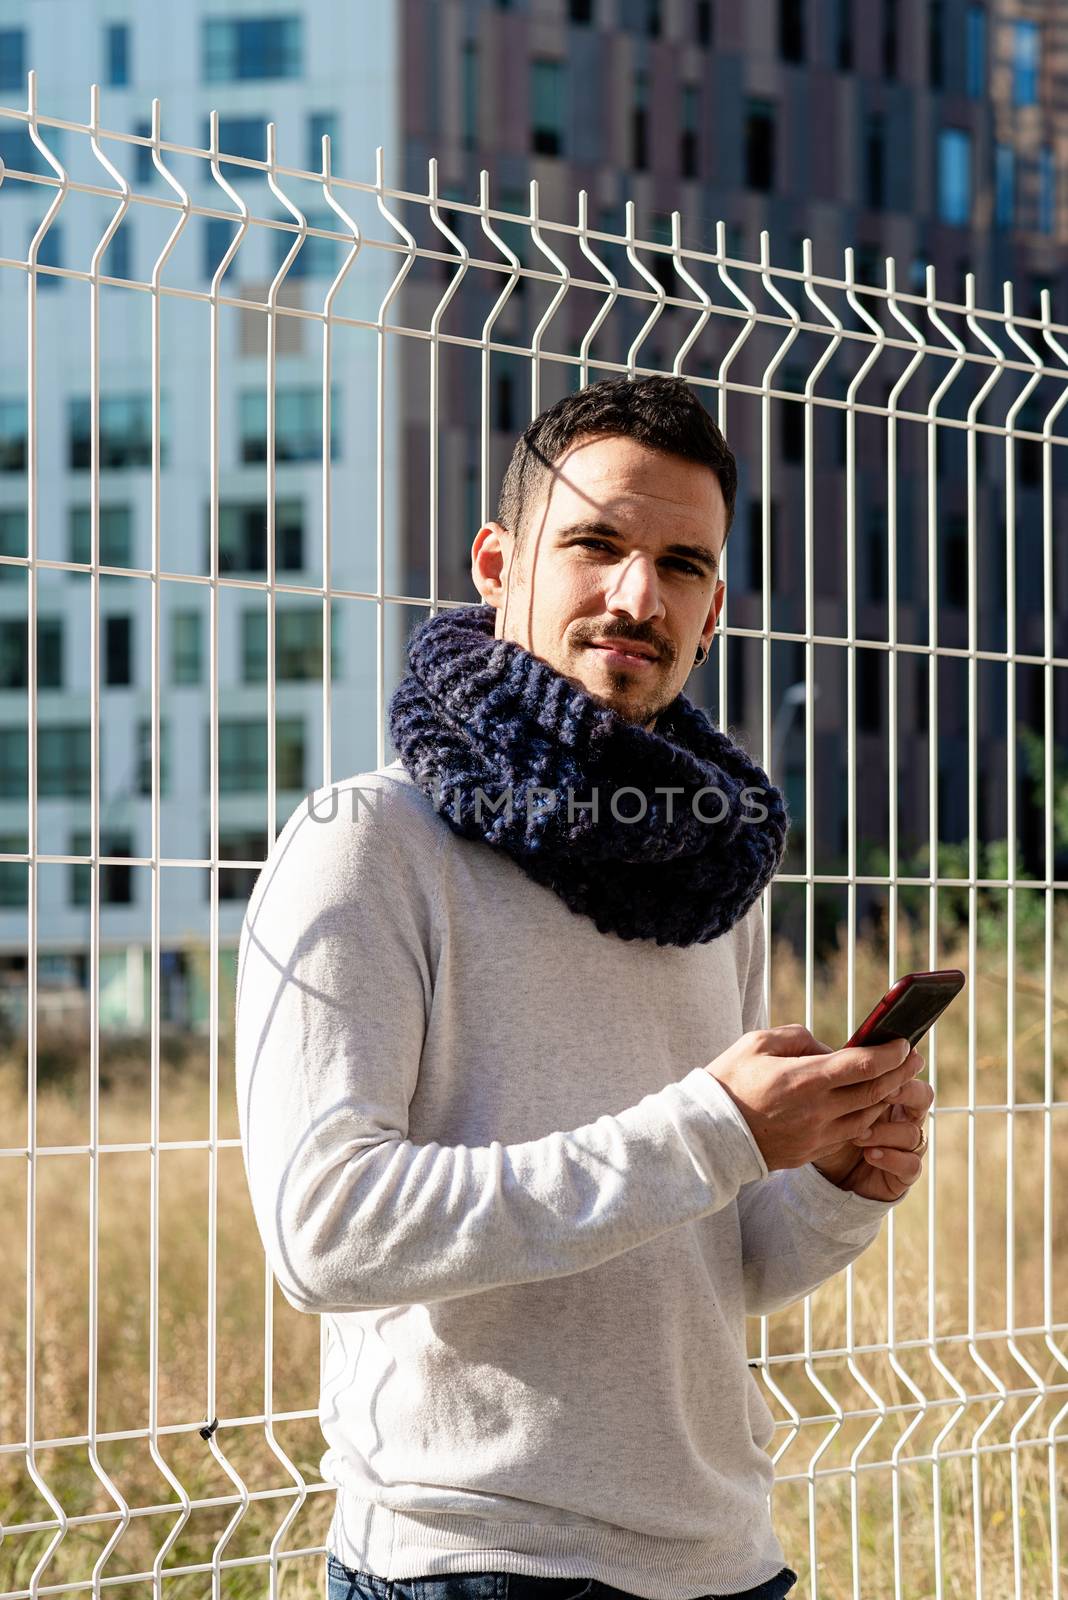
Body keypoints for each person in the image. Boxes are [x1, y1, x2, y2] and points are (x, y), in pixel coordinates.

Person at [234, 375, 932, 1600]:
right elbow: (323, 1231)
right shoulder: (368, 841)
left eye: (681, 564)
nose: (635, 595)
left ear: (715, 609)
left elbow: (716, 1255)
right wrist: (715, 1128)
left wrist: (832, 1185)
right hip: (473, 1567)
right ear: (498, 564)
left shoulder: (715, 862)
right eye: (596, 543)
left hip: (726, 1558)